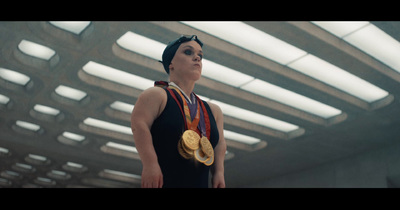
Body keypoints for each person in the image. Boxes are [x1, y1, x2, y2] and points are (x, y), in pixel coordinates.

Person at [130, 35, 226, 188]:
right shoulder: (157, 95)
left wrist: (219, 171)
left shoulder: (214, 111)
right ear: (171, 63)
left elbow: (220, 143)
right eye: (188, 52)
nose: (197, 58)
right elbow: (139, 125)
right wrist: (150, 164)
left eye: (200, 55)